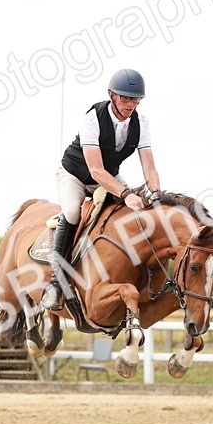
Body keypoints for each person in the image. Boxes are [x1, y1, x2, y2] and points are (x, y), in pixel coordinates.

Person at [41, 68, 162, 310]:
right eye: (125, 98)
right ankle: (55, 283)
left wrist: (157, 197)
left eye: (135, 99)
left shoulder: (142, 123)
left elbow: (149, 168)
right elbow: (95, 170)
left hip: (109, 175)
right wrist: (126, 194)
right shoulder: (93, 118)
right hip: (75, 174)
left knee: (137, 211)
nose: (131, 104)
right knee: (74, 212)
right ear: (112, 95)